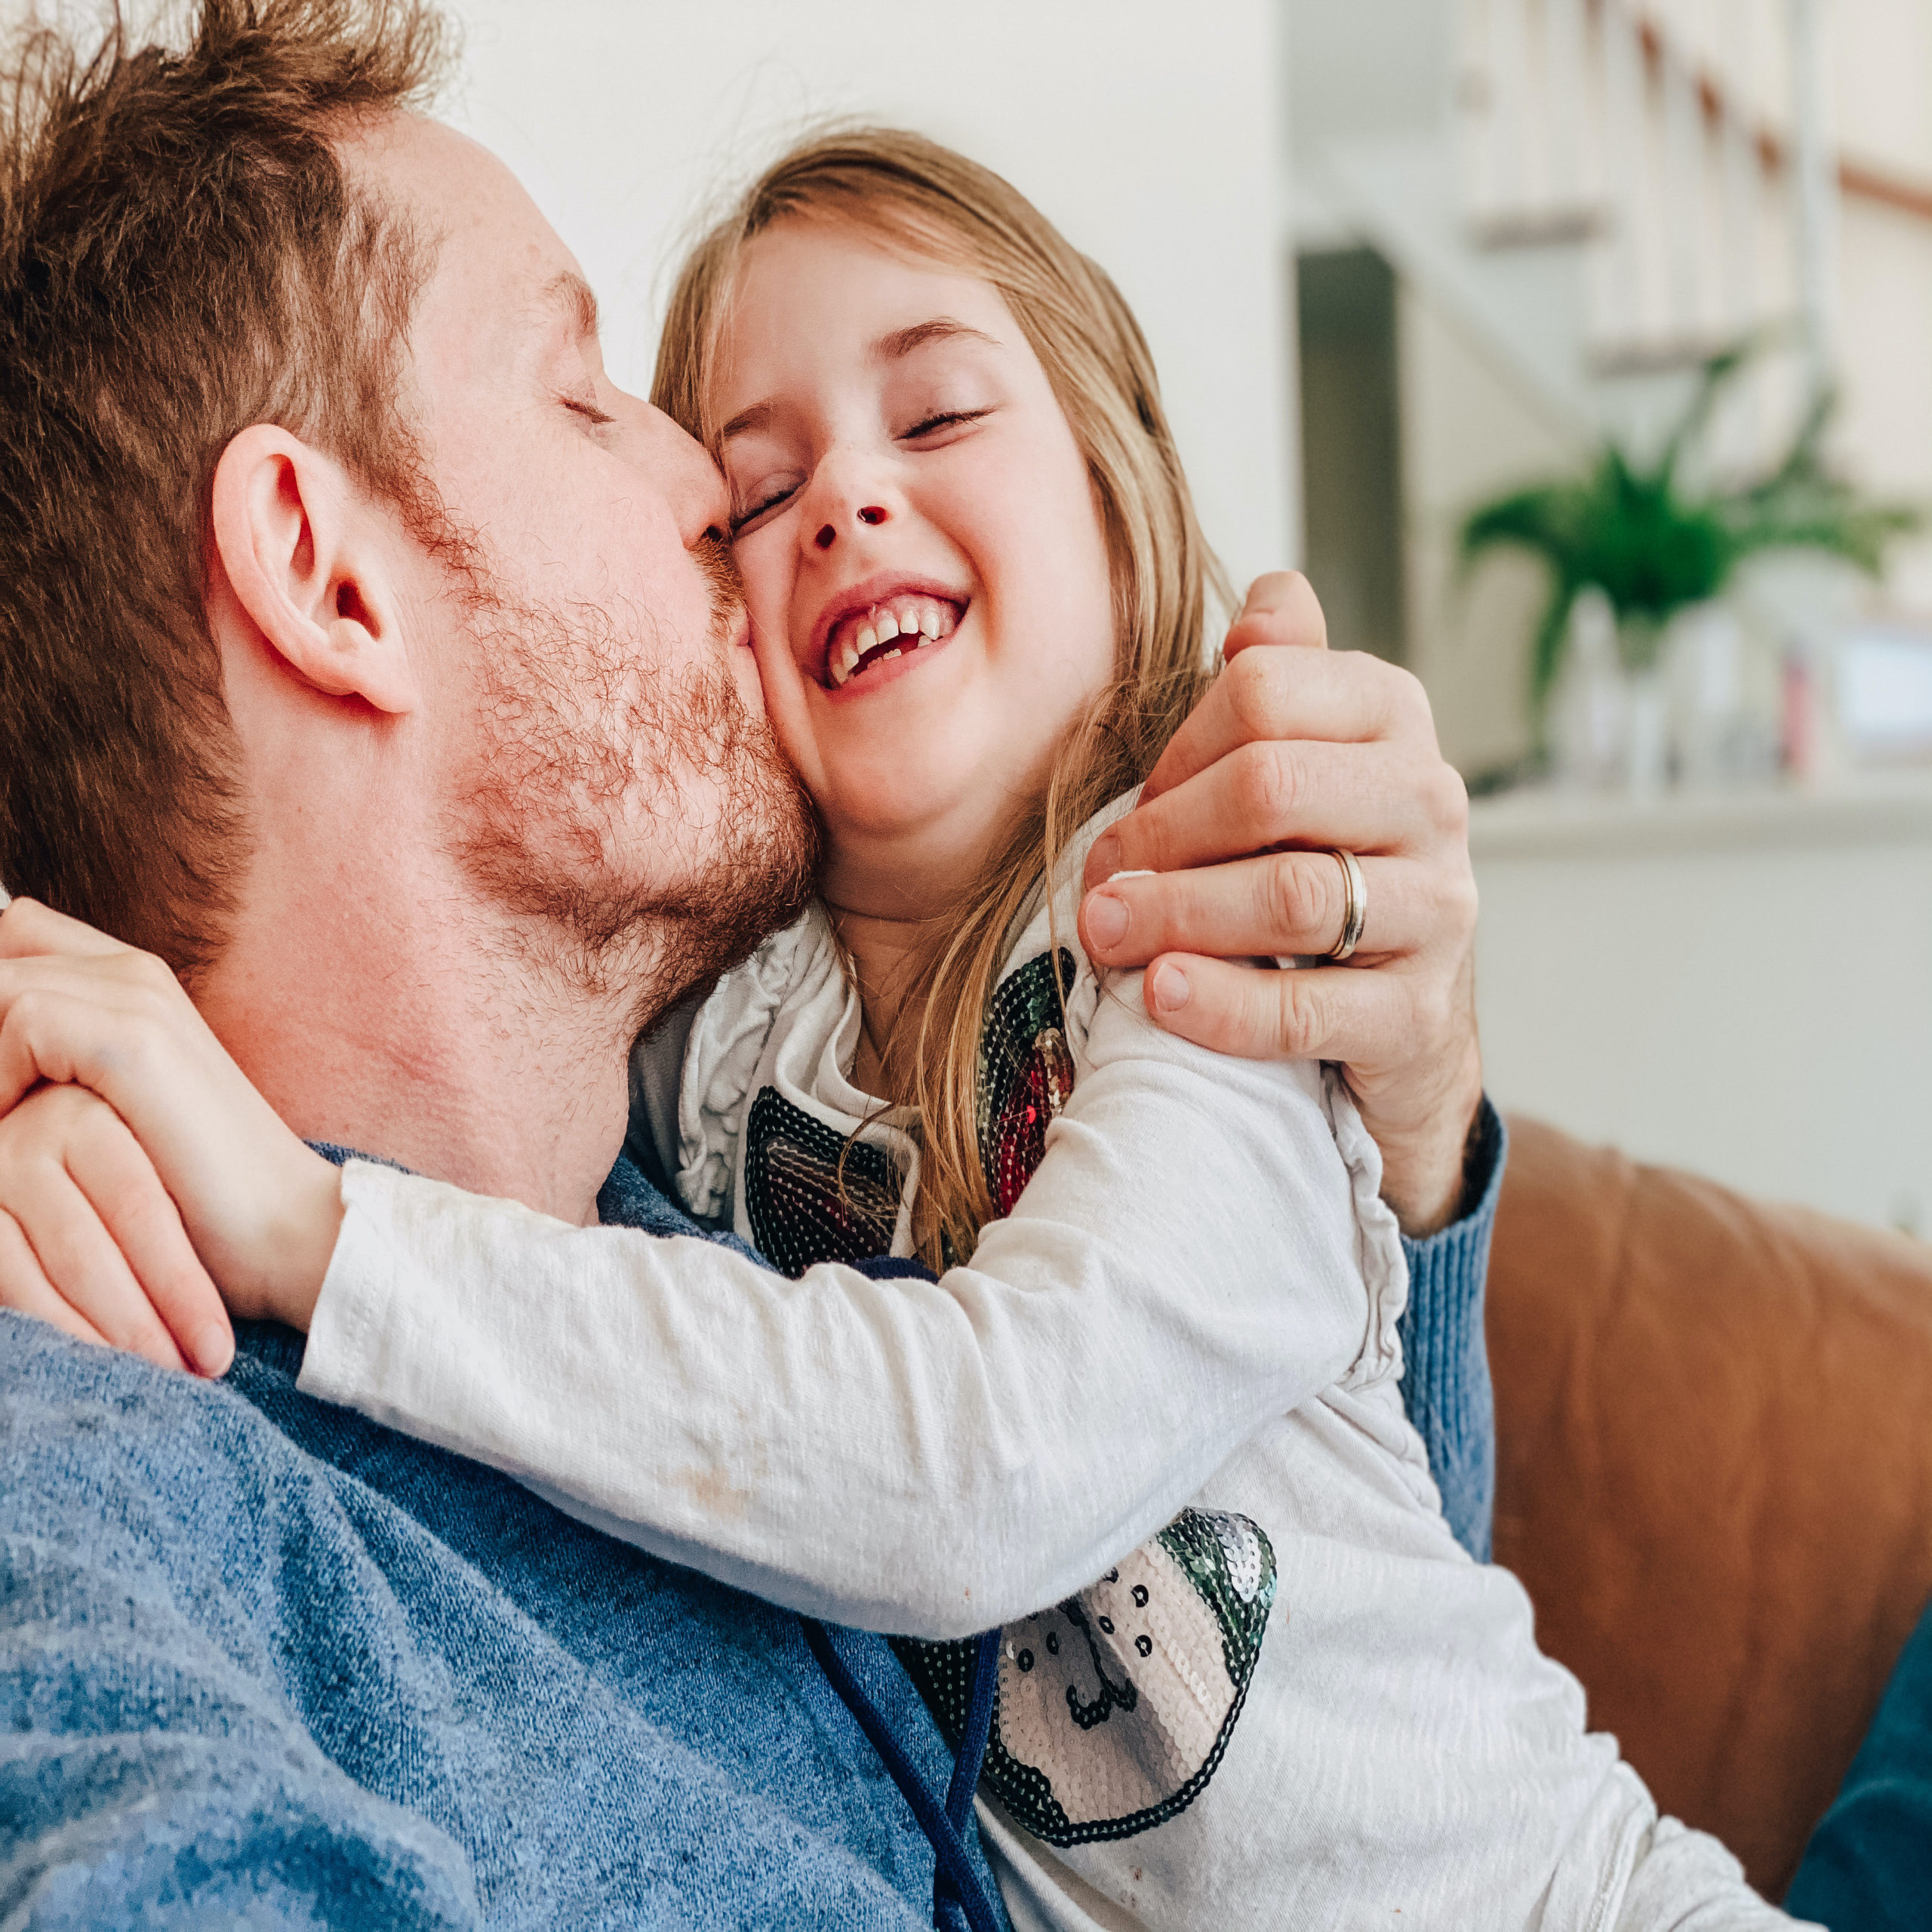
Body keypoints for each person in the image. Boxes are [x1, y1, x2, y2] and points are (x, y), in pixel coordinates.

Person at [0, 4, 1497, 1925]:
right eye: (586, 393)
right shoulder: (115, 1503)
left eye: (934, 412)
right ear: (325, 570)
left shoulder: (715, 1213)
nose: (721, 496)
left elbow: (1321, 1731)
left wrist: (1411, 1113)